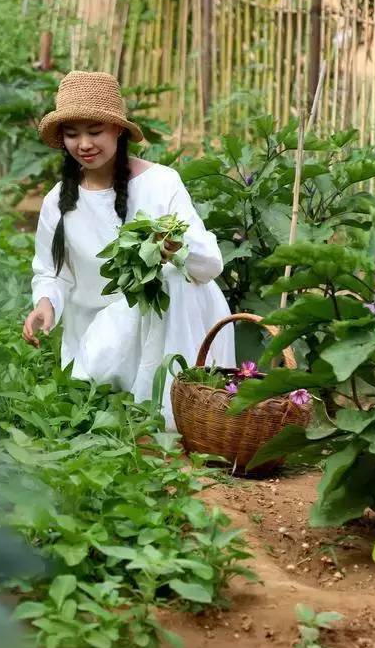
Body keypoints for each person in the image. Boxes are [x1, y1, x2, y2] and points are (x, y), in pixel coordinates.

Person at [22, 70, 235, 426]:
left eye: (95, 131)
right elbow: (50, 271)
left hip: (169, 323)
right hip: (101, 338)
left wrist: (174, 247)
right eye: (73, 135)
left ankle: (176, 403)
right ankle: (133, 397)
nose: (84, 145)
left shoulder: (161, 183)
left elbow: (210, 264)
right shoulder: (57, 201)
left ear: (118, 130)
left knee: (170, 278)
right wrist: (45, 304)